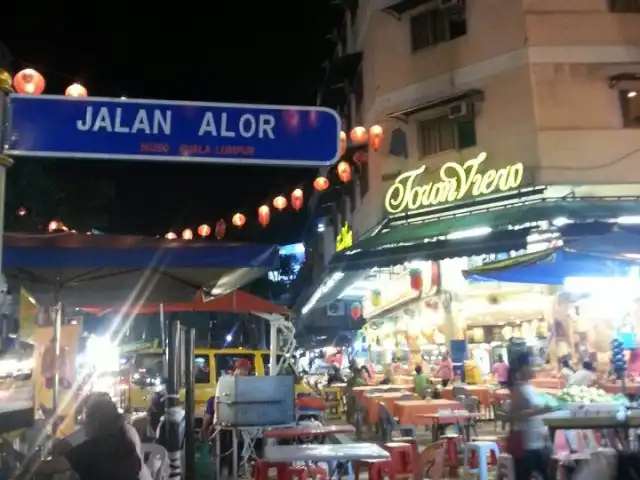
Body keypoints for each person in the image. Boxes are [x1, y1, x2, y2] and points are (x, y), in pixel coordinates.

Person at [34, 393, 143, 480]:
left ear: (95, 423)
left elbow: (48, 467)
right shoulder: (125, 440)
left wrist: (20, 458)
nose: (83, 424)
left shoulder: (91, 449)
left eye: (85, 420)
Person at [507, 350, 554, 480]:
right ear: (522, 368)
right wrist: (541, 411)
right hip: (526, 445)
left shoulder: (529, 387)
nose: (533, 369)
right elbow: (515, 415)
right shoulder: (518, 389)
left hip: (538, 443)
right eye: (530, 366)